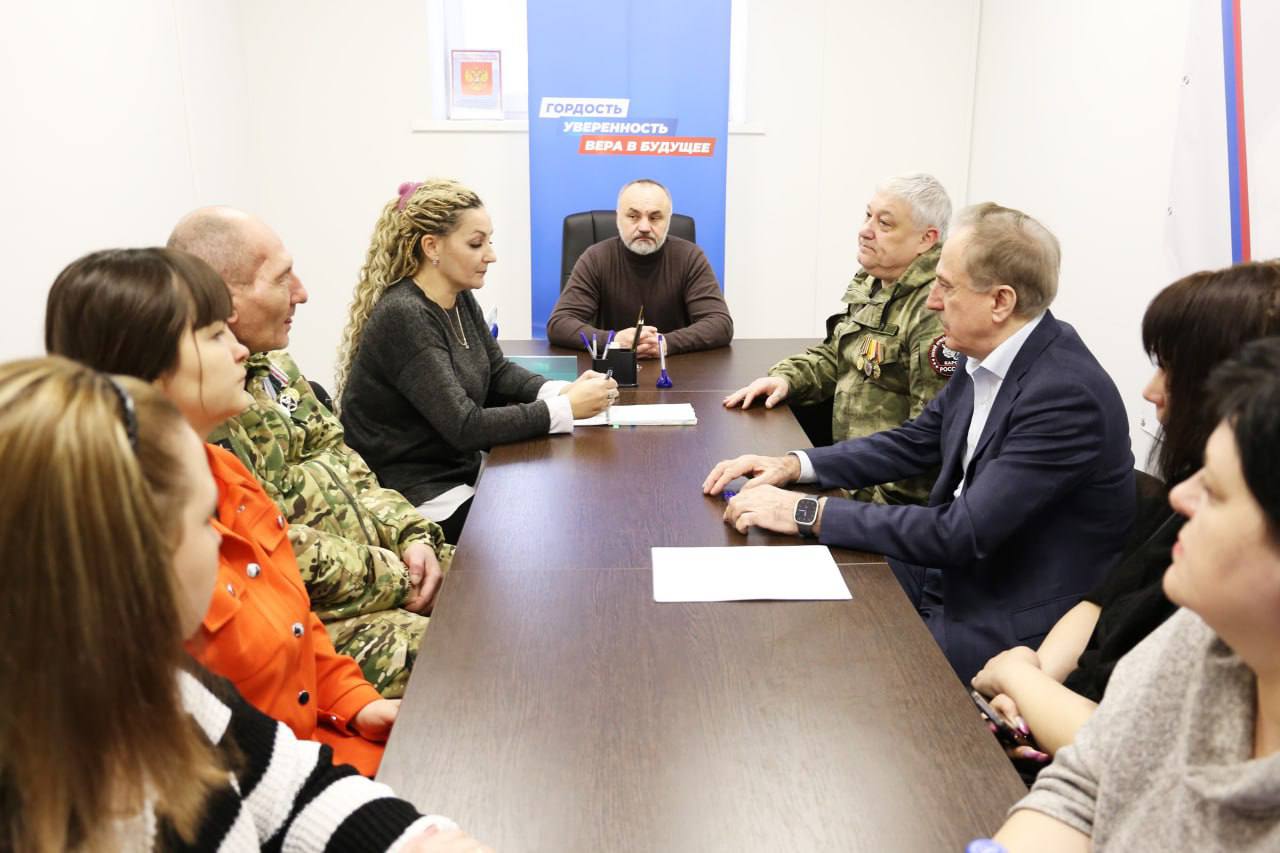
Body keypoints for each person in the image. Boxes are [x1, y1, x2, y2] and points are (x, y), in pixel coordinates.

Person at [0, 357, 489, 852]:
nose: (220, 541)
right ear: (130, 556)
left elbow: (287, 787)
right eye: (202, 521)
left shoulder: (165, 689)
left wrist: (415, 840)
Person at [703, 203, 1134, 684]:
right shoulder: (987, 353)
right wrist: (794, 465)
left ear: (1000, 302)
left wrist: (807, 511)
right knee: (780, 619)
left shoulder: (1064, 396)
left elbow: (961, 533)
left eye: (946, 286)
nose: (931, 301)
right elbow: (915, 441)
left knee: (835, 675)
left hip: (1004, 610)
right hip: (947, 571)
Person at [46, 248, 395, 777]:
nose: (240, 351)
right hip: (259, 783)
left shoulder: (225, 472)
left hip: (314, 751)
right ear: (146, 369)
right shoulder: (121, 542)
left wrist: (355, 700)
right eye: (214, 336)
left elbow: (297, 623)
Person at [971, 261, 1280, 762]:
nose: (1151, 390)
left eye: (1172, 371)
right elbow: (1101, 602)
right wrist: (1031, 691)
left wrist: (1020, 681)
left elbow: (1128, 751)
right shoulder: (1189, 498)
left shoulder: (1230, 586)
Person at [990, 337, 1280, 851]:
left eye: (1215, 492)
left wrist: (1019, 676)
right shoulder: (1202, 636)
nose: (1180, 496)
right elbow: (1086, 783)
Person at [168, 206, 444, 698]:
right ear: (226, 299)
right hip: (328, 619)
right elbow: (272, 550)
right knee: (473, 655)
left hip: (389, 574)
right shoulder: (203, 411)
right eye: (281, 278)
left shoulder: (274, 365)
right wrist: (398, 576)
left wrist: (412, 536)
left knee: (507, 592)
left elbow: (345, 461)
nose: (301, 292)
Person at [336, 179, 618, 542]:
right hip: (414, 494)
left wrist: (561, 390)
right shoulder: (405, 315)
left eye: (489, 242)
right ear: (432, 246)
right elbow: (465, 426)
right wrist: (564, 409)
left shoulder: (458, 298)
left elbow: (497, 372)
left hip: (460, 470)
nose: (490, 255)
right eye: (476, 243)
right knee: (541, 533)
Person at [722, 173, 957, 505]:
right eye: (868, 215)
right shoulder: (876, 280)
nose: (865, 230)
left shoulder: (934, 309)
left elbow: (928, 441)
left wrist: (854, 510)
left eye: (885, 224)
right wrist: (786, 379)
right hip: (847, 473)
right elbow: (838, 354)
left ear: (925, 239)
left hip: (884, 499)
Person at [546, 178, 734, 357]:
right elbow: (559, 324)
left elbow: (720, 324)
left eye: (655, 218)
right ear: (618, 218)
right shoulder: (596, 257)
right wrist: (614, 340)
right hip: (611, 370)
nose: (644, 227)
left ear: (668, 221)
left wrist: (665, 343)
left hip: (676, 369)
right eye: (633, 216)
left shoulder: (690, 257)